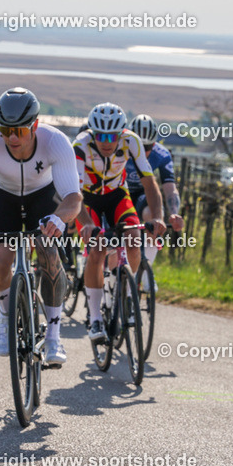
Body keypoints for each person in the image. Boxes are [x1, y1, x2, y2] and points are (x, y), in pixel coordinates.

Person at [0, 88, 82, 366]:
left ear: (35, 125)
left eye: (20, 131)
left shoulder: (56, 141)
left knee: (50, 255)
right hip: (2, 197)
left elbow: (73, 197)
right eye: (5, 129)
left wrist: (59, 219)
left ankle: (53, 335)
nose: (12, 137)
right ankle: (4, 314)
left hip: (43, 196)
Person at [74, 104, 166, 342]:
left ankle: (128, 293)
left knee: (134, 238)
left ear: (121, 134)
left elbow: (149, 182)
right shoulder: (80, 145)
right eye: (101, 136)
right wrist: (86, 224)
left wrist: (158, 217)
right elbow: (73, 192)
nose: (106, 142)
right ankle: (95, 319)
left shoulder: (131, 141)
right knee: (97, 250)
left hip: (117, 196)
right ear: (93, 133)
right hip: (87, 199)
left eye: (112, 136)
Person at [126, 114, 184, 291]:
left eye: (148, 146)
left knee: (153, 217)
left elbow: (169, 187)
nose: (143, 151)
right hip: (120, 193)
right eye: (139, 146)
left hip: (144, 194)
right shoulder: (119, 150)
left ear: (155, 143)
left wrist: (174, 212)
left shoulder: (161, 154)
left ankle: (145, 270)